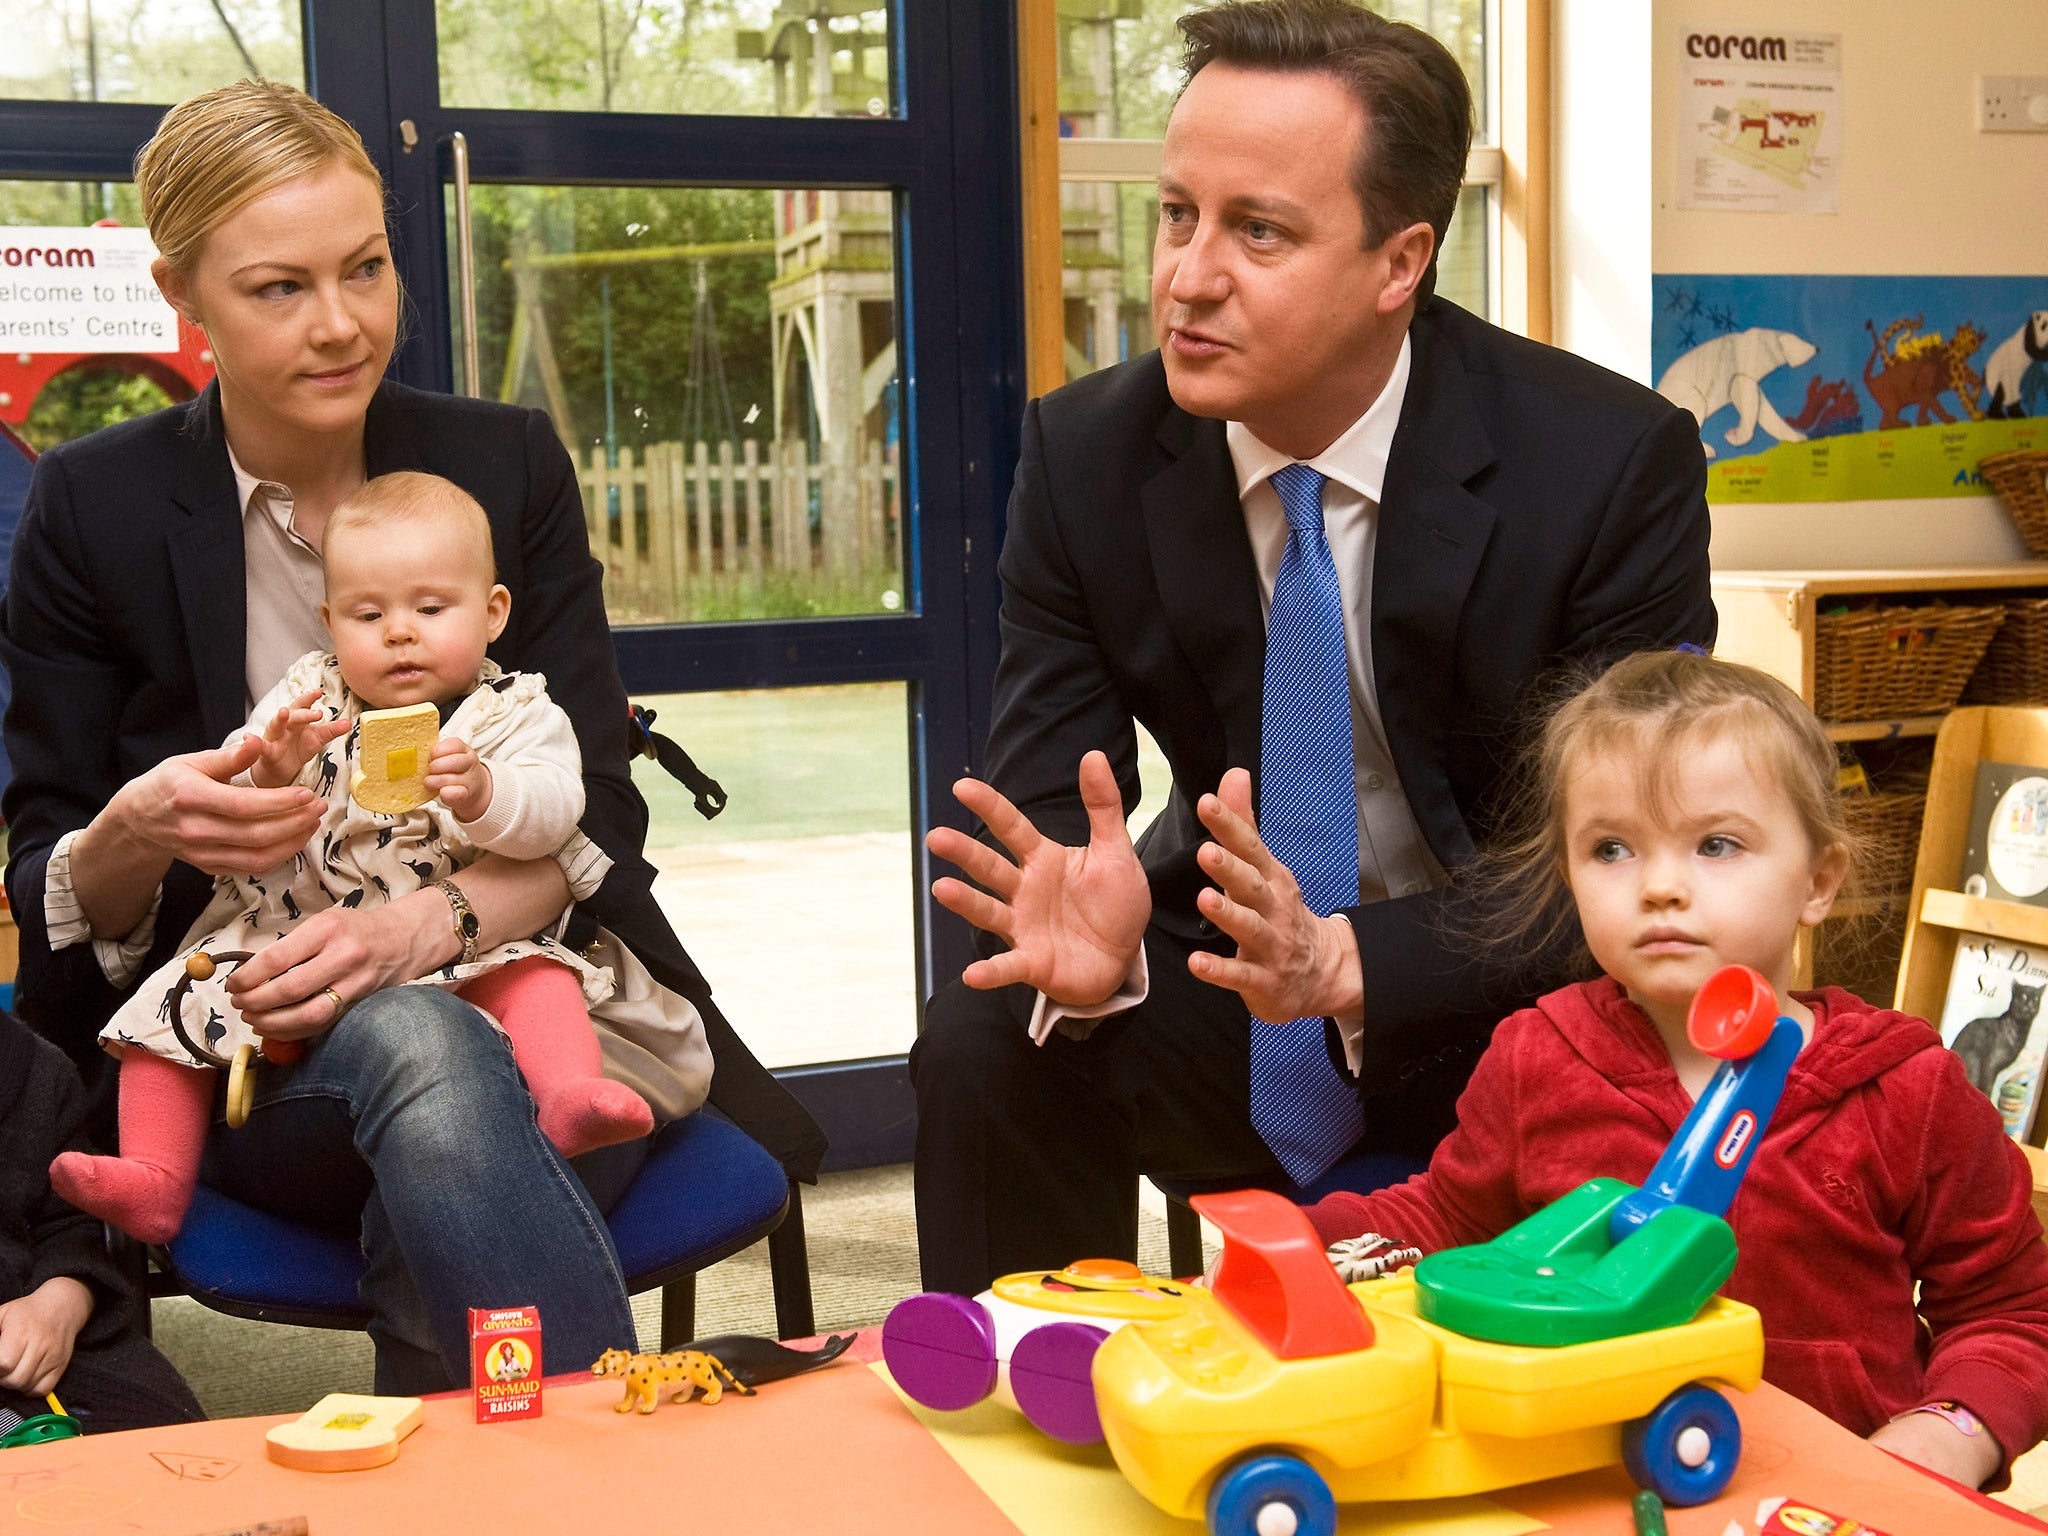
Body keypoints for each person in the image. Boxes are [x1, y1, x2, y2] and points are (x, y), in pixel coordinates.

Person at [0, 80, 823, 1393]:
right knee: (418, 1046)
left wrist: (428, 926)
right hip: (250, 1057)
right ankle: (593, 1469)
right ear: (182, 295)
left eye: (369, 269)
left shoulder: (501, 465)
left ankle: (470, 1468)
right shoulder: (94, 507)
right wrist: (135, 829)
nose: (344, 325)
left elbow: (600, 808)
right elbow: (49, 867)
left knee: (439, 1090)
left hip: (541, 1007)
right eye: (279, 288)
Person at [911, 0, 1715, 1295]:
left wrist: (1353, 963)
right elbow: (1066, 789)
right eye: (1177, 213)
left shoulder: (1608, 465)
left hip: (1516, 1000)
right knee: (988, 1038)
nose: (1187, 276)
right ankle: (1032, 1414)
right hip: (1237, 986)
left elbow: (1634, 846)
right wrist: (1091, 928)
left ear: (1400, 262)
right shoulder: (1086, 457)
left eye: (1258, 231)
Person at [1305, 650, 2048, 1491]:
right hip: (1597, 1485)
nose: (1660, 886)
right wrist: (1303, 1242)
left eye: (1717, 844)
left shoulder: (1907, 1087)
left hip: (1841, 1499)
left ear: (1819, 880)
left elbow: (2012, 1311)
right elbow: (1450, 1219)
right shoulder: (1535, 1056)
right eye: (1612, 848)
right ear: (1568, 878)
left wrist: (1953, 1430)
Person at [55, 472, 675, 1245]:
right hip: (293, 933)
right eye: (368, 614)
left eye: (430, 608)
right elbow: (232, 781)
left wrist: (486, 793)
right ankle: (154, 1178)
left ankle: (573, 1096)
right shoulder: (309, 696)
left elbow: (557, 813)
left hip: (457, 941)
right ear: (328, 621)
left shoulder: (515, 713)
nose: (399, 632)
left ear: (493, 614)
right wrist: (272, 763)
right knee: (170, 1006)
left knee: (538, 977)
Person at [0, 1008, 204, 1434]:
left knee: (171, 1450)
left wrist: (60, 1304)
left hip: (41, 1348)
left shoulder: (36, 1073)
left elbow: (69, 1226)